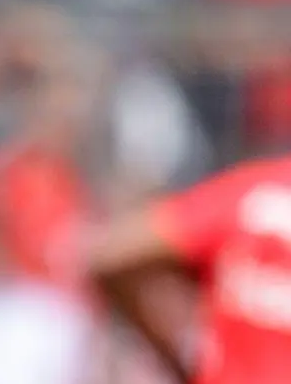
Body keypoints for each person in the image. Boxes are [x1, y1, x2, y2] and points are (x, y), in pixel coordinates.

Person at [88, 154, 291, 383]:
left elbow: (114, 254)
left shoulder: (254, 192)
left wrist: (175, 361)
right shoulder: (258, 189)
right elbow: (115, 255)